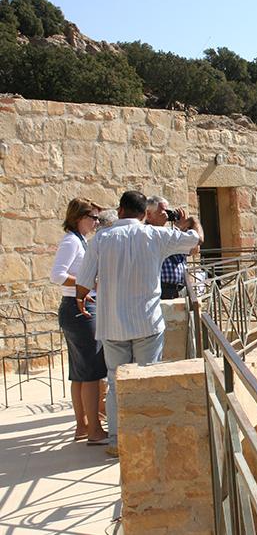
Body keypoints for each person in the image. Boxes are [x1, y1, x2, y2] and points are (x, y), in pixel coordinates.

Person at [76, 191, 203, 457]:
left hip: (112, 323)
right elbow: (195, 240)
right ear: (145, 214)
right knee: (148, 380)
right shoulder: (155, 236)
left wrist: (81, 298)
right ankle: (147, 440)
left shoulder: (101, 239)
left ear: (120, 211)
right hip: (147, 322)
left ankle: (116, 440)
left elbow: (84, 281)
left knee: (115, 382)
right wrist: (192, 221)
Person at [49, 198, 108, 445]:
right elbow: (57, 275)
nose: (96, 222)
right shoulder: (71, 241)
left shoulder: (79, 240)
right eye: (93, 218)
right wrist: (88, 283)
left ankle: (83, 426)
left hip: (76, 308)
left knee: (80, 373)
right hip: (79, 309)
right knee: (91, 372)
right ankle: (94, 430)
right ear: (79, 218)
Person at [145, 196, 189, 299]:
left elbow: (194, 249)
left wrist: (183, 228)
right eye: (163, 211)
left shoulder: (172, 233)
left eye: (168, 211)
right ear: (149, 214)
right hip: (160, 289)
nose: (167, 215)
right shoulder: (145, 233)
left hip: (179, 289)